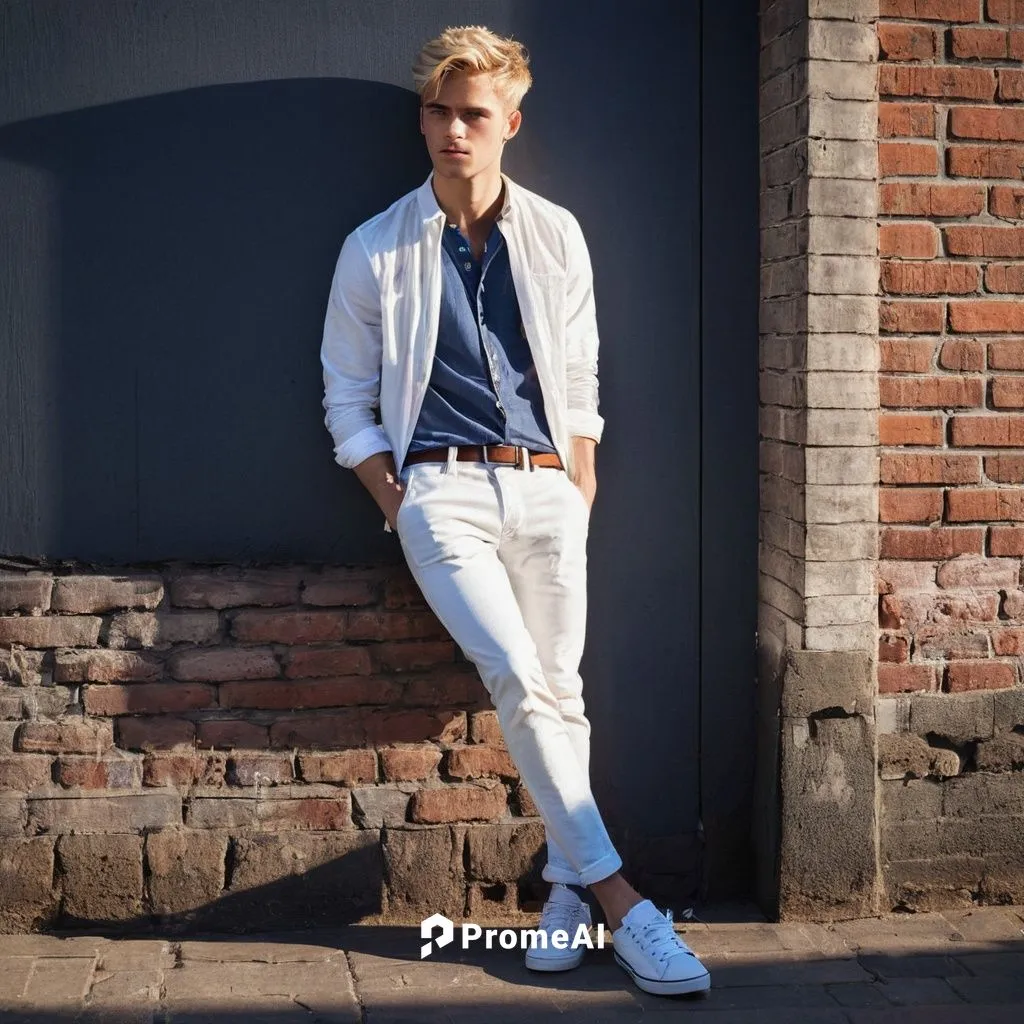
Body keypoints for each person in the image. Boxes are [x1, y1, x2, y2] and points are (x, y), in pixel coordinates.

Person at [320, 24, 710, 997]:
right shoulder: (374, 247)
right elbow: (344, 396)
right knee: (518, 677)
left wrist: (577, 473)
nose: (453, 130)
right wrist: (395, 496)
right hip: (439, 493)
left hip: (543, 485)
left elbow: (576, 367)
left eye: (473, 114)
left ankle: (562, 895)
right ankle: (626, 903)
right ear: (422, 117)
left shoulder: (554, 231)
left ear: (508, 123)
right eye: (438, 111)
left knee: (560, 691)